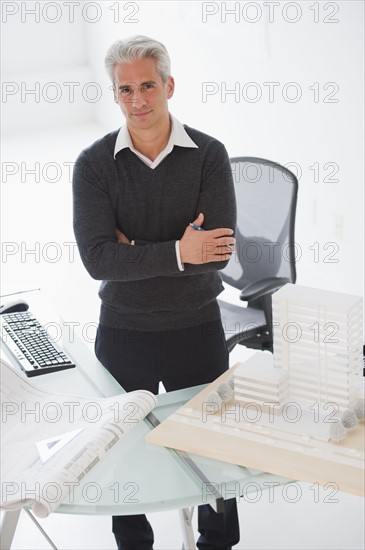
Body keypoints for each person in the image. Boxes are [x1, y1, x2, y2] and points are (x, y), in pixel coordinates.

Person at [72, 34, 239, 550]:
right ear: (115, 94)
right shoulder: (95, 165)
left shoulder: (209, 155)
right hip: (124, 327)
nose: (138, 99)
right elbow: (97, 260)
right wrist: (177, 251)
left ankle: (217, 542)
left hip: (196, 322)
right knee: (124, 450)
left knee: (214, 445)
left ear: (169, 85)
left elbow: (217, 252)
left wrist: (136, 250)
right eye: (126, 89)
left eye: (148, 85)